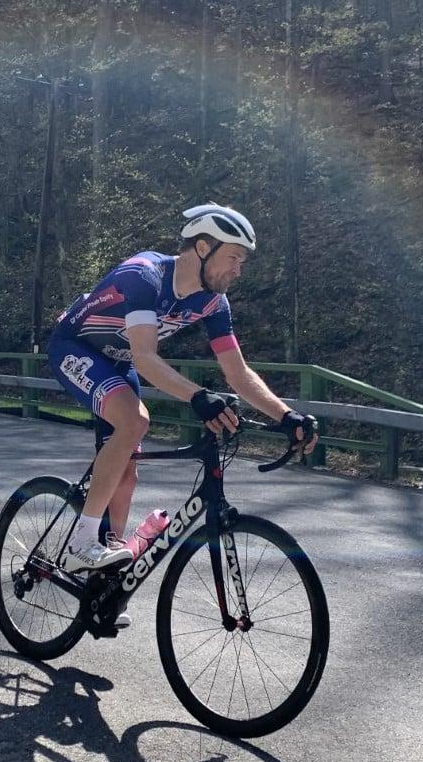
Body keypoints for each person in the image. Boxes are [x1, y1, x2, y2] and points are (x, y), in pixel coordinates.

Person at [46, 204, 318, 582]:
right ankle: (81, 543)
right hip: (76, 347)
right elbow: (145, 357)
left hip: (119, 361)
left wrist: (286, 415)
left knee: (127, 472)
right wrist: (198, 396)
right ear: (203, 247)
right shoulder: (145, 276)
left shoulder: (212, 302)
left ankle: (104, 568)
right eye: (234, 258)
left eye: (242, 262)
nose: (239, 270)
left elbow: (237, 373)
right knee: (134, 421)